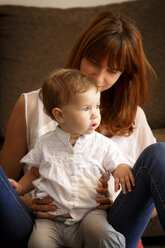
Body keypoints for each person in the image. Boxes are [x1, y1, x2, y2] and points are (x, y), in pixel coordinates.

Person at [0, 10, 164, 248]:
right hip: (39, 222)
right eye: (94, 63)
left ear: (125, 74)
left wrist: (115, 202)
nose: (98, 78)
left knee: (160, 154)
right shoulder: (31, 104)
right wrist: (27, 202)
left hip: (104, 223)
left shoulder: (134, 117)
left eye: (113, 71)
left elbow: (151, 196)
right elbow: (6, 185)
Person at [9, 68, 136, 247]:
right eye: (86, 108)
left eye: (97, 106)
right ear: (60, 115)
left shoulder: (102, 144)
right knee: (38, 243)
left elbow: (117, 165)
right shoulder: (45, 143)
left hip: (90, 215)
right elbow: (35, 173)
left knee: (102, 234)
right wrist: (20, 186)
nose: (95, 114)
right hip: (51, 221)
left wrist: (122, 168)